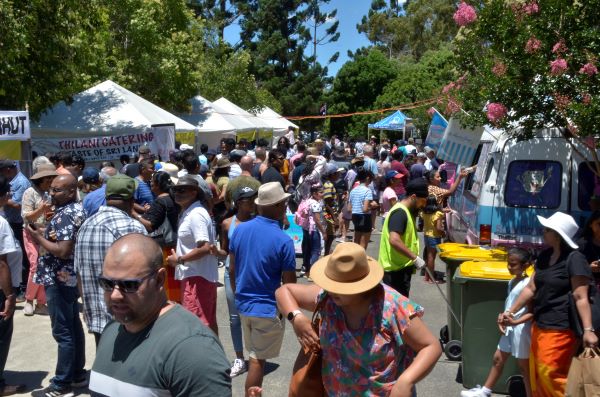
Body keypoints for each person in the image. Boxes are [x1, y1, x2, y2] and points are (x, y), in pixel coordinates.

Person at [275, 242, 442, 396]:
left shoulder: (391, 306)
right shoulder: (328, 298)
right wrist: (296, 318)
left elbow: (431, 346)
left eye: (338, 286)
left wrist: (406, 381)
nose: (330, 289)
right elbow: (284, 291)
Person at [89, 234, 231, 396]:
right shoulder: (111, 331)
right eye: (107, 284)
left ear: (159, 279)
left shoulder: (193, 349)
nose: (115, 295)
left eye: (128, 285)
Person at [500, 212, 598, 396]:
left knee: (551, 373)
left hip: (561, 327)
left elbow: (581, 297)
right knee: (538, 373)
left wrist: (588, 330)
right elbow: (531, 288)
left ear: (558, 234)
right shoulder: (545, 256)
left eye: (547, 229)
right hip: (539, 325)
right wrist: (510, 312)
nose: (542, 232)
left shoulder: (575, 259)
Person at [229, 182, 296, 396]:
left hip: (244, 305)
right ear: (277, 206)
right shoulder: (283, 241)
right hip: (266, 309)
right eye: (283, 203)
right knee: (257, 361)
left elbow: (232, 268)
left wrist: (239, 294)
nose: (286, 206)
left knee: (255, 356)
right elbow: (290, 285)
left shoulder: (239, 230)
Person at [28, 174, 87, 397]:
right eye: (51, 189)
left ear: (71, 192)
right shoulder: (74, 210)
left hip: (60, 278)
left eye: (57, 190)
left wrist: (37, 238)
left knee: (62, 331)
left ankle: (62, 382)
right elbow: (65, 241)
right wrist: (45, 234)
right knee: (73, 326)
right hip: (69, 278)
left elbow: (62, 250)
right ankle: (78, 374)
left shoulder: (66, 214)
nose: (51, 193)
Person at [74, 174, 147, 346]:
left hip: (97, 314)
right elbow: (144, 274)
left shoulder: (85, 226)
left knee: (105, 364)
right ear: (131, 200)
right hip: (127, 315)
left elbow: (78, 272)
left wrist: (87, 305)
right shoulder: (132, 226)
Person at [461, 248, 533, 397]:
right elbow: (510, 305)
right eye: (508, 263)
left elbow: (533, 312)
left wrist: (515, 321)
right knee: (498, 359)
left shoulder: (529, 284)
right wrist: (503, 316)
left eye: (513, 264)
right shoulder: (512, 281)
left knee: (524, 368)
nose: (509, 267)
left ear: (525, 265)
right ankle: (485, 392)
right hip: (510, 328)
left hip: (521, 330)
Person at [167, 176, 219, 335]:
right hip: (193, 276)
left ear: (194, 192)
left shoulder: (196, 214)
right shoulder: (188, 212)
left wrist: (179, 260)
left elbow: (205, 248)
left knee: (198, 326)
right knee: (205, 322)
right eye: (175, 190)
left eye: (182, 190)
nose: (177, 193)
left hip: (197, 278)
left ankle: (205, 358)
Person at [216, 185, 258, 378]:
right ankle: (240, 358)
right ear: (238, 202)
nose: (251, 202)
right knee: (234, 319)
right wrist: (216, 253)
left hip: (252, 274)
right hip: (230, 272)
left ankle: (255, 356)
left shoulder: (259, 221)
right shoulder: (227, 224)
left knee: (252, 317)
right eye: (247, 199)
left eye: (253, 198)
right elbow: (225, 251)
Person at [378, 178, 429, 297]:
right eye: (422, 201)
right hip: (395, 270)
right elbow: (394, 239)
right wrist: (414, 258)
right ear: (414, 197)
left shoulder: (407, 211)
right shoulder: (400, 213)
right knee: (398, 308)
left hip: (400, 268)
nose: (423, 205)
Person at [136, 171, 181, 302]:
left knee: (169, 285)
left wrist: (135, 214)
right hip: (175, 245)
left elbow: (150, 225)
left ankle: (172, 309)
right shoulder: (172, 198)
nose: (150, 185)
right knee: (175, 283)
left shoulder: (160, 201)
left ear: (157, 185)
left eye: (152, 182)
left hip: (164, 248)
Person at [0, 175, 26, 396]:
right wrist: (9, 295)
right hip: (1, 290)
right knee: (1, 335)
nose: (9, 195)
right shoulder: (1, 223)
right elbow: (1, 263)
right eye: (7, 192)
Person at [21, 163, 57, 316]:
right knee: (35, 265)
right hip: (32, 232)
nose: (51, 181)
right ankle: (29, 299)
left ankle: (41, 302)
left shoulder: (51, 192)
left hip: (47, 233)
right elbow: (27, 216)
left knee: (45, 266)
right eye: (48, 178)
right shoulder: (30, 193)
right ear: (41, 179)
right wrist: (42, 209)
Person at [0, 160, 30, 300]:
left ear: (7, 170)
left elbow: (19, 205)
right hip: (11, 223)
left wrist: (4, 199)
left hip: (18, 224)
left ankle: (21, 289)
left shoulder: (21, 183)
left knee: (20, 257)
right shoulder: (12, 181)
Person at [300, 185, 327, 279]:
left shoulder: (307, 201)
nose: (323, 194)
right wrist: (324, 232)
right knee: (316, 251)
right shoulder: (316, 204)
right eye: (321, 192)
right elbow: (317, 220)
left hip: (306, 229)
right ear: (314, 194)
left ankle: (306, 271)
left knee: (307, 250)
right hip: (314, 230)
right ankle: (312, 273)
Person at [348, 168, 376, 249]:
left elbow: (349, 209)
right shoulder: (367, 190)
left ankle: (355, 258)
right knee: (363, 243)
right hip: (364, 217)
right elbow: (365, 209)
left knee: (356, 240)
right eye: (371, 179)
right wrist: (373, 206)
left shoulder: (353, 190)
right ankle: (361, 260)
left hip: (355, 216)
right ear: (367, 178)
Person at [422, 195, 445, 284]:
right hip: (434, 237)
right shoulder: (438, 214)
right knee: (432, 257)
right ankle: (432, 279)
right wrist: (443, 233)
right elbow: (438, 228)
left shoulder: (424, 213)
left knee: (428, 256)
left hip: (426, 235)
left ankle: (427, 277)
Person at [578, 210, 600, 292]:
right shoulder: (582, 245)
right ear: (591, 224)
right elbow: (572, 268)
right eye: (599, 224)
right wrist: (588, 268)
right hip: (587, 289)